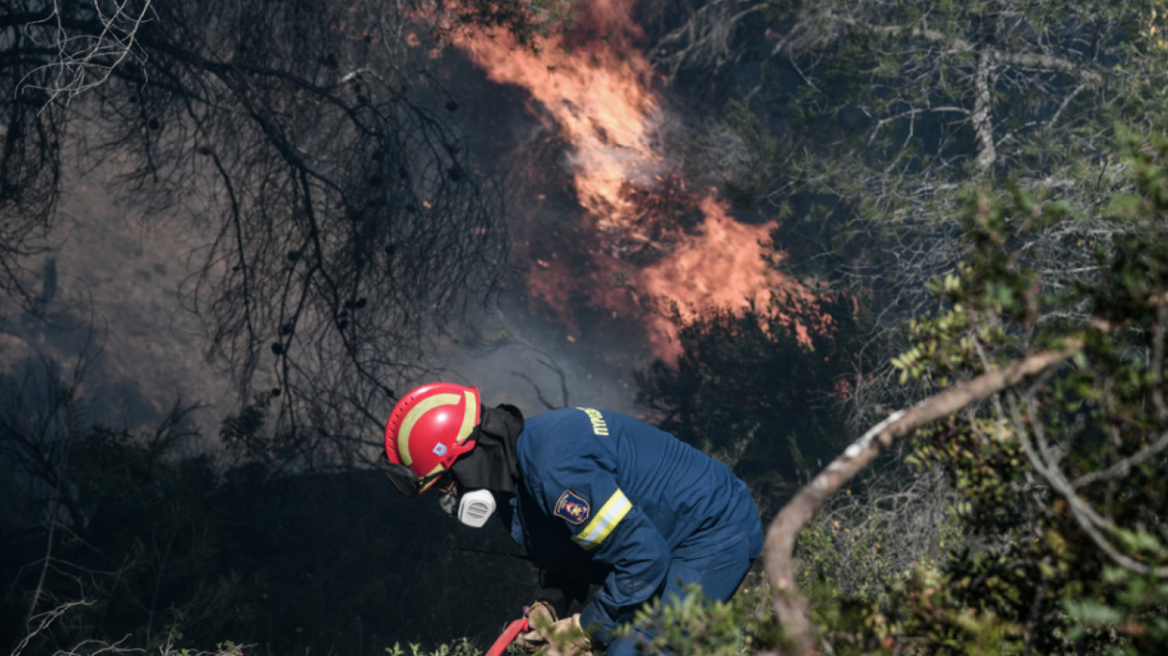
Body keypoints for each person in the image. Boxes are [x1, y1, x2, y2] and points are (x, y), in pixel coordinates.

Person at [379, 382, 763, 656]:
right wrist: (552, 602)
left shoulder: (554, 472)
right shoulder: (514, 477)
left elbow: (644, 558)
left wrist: (585, 629)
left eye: (444, 483)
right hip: (665, 541)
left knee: (636, 649)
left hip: (712, 533)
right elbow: (575, 551)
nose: (448, 496)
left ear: (466, 457)